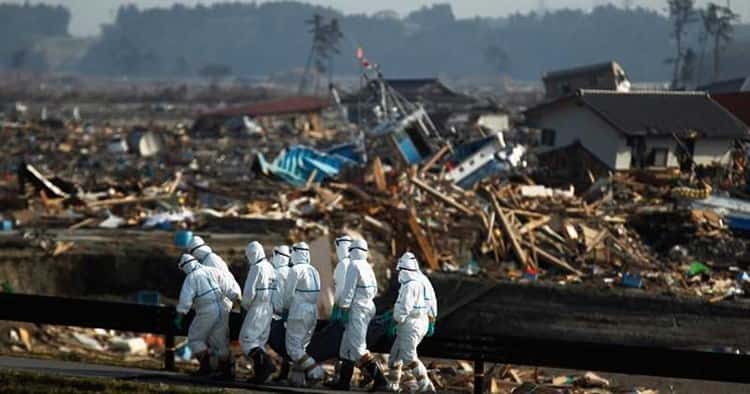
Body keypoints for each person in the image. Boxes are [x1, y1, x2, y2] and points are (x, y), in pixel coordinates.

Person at [329, 239, 388, 390]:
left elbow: (348, 291)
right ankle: (343, 382)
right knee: (346, 347)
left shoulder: (353, 265)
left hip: (357, 308)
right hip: (367, 305)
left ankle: (381, 380)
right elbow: (375, 289)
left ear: (352, 250)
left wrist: (342, 308)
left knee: (358, 348)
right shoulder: (367, 266)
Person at [175, 253, 241, 379]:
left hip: (207, 310)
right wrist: (238, 302)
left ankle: (207, 368)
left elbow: (185, 301)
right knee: (220, 341)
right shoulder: (212, 270)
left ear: (185, 266)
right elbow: (230, 289)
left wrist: (179, 316)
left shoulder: (191, 278)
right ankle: (228, 371)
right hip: (223, 308)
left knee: (195, 339)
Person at [387, 252, 435, 392]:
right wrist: (432, 319)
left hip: (411, 324)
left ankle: (425, 385)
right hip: (418, 322)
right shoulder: (421, 281)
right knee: (395, 356)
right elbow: (432, 302)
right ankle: (393, 385)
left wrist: (395, 321)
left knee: (408, 356)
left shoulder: (409, 286)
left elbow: (403, 307)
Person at [282, 242, 325, 387]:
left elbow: (288, 295)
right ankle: (297, 379)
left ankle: (316, 372)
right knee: (302, 347)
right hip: (312, 311)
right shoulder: (314, 270)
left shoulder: (295, 270)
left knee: (293, 348)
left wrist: (285, 309)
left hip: (299, 311)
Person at [239, 241, 277, 383]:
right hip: (269, 308)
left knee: (246, 340)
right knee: (259, 342)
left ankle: (268, 364)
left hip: (258, 307)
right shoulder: (270, 267)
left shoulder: (256, 268)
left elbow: (249, 292)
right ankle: (261, 375)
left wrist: (244, 306)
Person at [270, 245, 292, 381]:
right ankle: (285, 372)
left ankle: (283, 373)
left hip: (280, 314)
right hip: (291, 313)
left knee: (282, 345)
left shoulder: (277, 273)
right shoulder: (291, 271)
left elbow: (277, 296)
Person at [331, 235, 352, 321]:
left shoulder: (343, 264)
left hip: (344, 305)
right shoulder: (354, 262)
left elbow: (341, 287)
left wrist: (335, 302)